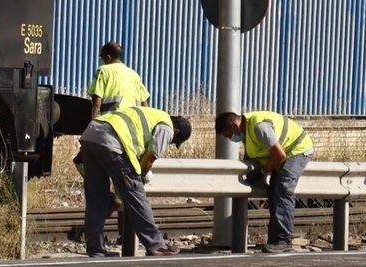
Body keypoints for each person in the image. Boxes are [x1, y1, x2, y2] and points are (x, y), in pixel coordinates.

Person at [78, 104, 192, 257]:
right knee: (136, 196)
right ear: (176, 132)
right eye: (173, 141)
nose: (170, 142)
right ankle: (156, 245)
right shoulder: (167, 127)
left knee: (96, 200)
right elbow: (150, 157)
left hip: (91, 134)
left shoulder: (152, 114)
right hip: (112, 142)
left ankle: (95, 250)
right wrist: (140, 176)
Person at [216, 111, 313, 254]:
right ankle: (275, 240)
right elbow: (254, 156)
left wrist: (262, 173)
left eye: (228, 135)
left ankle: (283, 239)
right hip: (283, 154)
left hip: (297, 149)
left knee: (283, 188)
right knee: (273, 192)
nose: (231, 139)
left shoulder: (259, 127)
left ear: (234, 126)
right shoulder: (247, 132)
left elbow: (280, 155)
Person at [88, 42, 149, 117]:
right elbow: (144, 105)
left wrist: (94, 122)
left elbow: (97, 101)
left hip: (112, 122)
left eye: (101, 57)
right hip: (133, 124)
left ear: (108, 57)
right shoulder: (134, 75)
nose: (101, 60)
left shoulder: (103, 71)